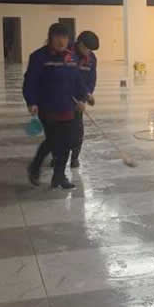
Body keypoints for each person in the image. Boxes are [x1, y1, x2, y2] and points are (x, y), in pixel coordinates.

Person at [23, 22, 87, 189]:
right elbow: (30, 81)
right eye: (57, 37)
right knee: (53, 140)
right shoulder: (39, 57)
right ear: (50, 38)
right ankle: (35, 167)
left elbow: (77, 81)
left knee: (66, 142)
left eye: (64, 37)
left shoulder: (71, 57)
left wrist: (82, 98)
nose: (61, 41)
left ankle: (59, 176)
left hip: (67, 106)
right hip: (47, 106)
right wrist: (31, 101)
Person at [70, 30, 99, 168]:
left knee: (78, 130)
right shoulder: (68, 55)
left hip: (80, 99)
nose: (89, 52)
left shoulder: (92, 59)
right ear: (80, 44)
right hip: (63, 98)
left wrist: (88, 94)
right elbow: (67, 78)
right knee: (61, 130)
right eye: (87, 49)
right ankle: (58, 157)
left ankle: (74, 158)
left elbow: (91, 79)